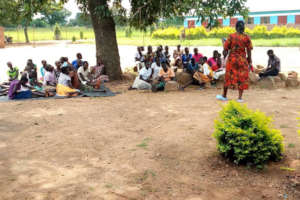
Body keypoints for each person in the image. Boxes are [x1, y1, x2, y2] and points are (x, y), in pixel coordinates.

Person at [217, 21, 253, 103]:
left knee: (228, 77)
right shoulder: (246, 37)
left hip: (232, 60)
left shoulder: (231, 36)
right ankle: (240, 98)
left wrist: (224, 53)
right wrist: (249, 60)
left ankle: (224, 96)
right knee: (242, 78)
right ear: (243, 27)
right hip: (242, 60)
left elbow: (225, 50)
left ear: (236, 27)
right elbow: (249, 50)